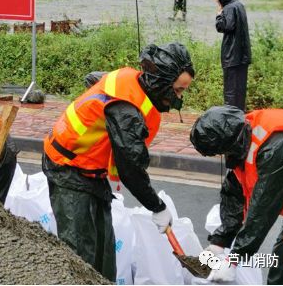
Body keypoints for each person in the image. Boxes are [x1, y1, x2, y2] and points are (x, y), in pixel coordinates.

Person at [42, 42, 195, 281]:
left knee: (103, 256)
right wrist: (157, 207)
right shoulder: (126, 111)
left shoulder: (132, 82)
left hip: (92, 171)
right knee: (80, 256)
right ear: (161, 82)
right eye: (177, 90)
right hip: (67, 168)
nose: (179, 98)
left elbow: (94, 79)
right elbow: (130, 169)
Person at [190, 105, 283, 284]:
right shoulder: (240, 138)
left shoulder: (277, 144)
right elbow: (234, 193)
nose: (224, 156)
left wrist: (234, 259)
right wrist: (219, 242)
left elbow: (263, 208)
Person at [213, 0, 252, 111]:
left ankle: (230, 118)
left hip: (232, 56)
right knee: (240, 91)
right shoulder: (239, 5)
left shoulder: (229, 8)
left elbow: (224, 27)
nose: (216, 0)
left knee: (230, 91)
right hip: (242, 56)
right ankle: (239, 116)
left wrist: (219, 14)